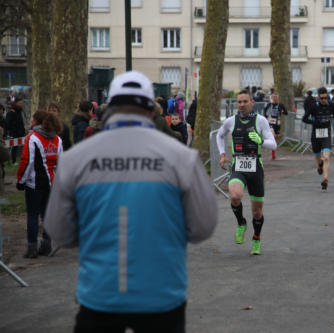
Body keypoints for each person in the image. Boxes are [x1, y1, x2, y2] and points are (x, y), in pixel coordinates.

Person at [44, 71, 217, 332]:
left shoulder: (74, 159)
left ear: (109, 108)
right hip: (161, 295)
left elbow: (59, 232)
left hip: (99, 295)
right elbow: (203, 227)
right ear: (151, 110)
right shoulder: (182, 157)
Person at [217, 90, 276, 255]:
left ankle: (256, 238)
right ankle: (241, 223)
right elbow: (219, 136)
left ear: (252, 103)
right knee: (235, 196)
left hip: (256, 167)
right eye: (239, 102)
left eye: (244, 102)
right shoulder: (230, 121)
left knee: (257, 212)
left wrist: (261, 141)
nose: (241, 105)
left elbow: (274, 144)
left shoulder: (261, 120)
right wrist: (222, 154)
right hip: (238, 165)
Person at [16, 110, 63, 258]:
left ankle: (32, 248)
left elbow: (27, 161)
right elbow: (61, 162)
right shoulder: (58, 139)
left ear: (38, 122)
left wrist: (21, 181)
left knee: (32, 215)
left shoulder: (33, 138)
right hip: (51, 182)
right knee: (47, 215)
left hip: (34, 183)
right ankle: (47, 244)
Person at [302, 87, 334, 190]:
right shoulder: (313, 106)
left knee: (326, 157)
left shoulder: (331, 105)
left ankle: (325, 180)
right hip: (316, 134)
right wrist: (313, 122)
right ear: (318, 97)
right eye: (322, 98)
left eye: (326, 98)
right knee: (318, 156)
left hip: (326, 133)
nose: (324, 100)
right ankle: (319, 165)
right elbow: (304, 119)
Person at [263, 92, 288, 160]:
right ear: (271, 98)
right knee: (273, 136)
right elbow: (264, 110)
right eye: (273, 97)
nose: (274, 99)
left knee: (276, 137)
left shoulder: (280, 105)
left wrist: (282, 111)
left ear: (278, 98)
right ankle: (273, 154)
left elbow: (286, 113)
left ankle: (273, 150)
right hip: (271, 123)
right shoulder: (269, 104)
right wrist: (265, 116)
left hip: (278, 123)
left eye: (276, 97)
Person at [5, 96, 26, 165]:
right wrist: (10, 131)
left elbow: (21, 123)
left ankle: (14, 160)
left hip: (20, 133)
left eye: (21, 103)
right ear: (16, 103)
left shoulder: (20, 112)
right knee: (12, 147)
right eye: (19, 103)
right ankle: (11, 160)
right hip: (13, 133)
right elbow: (8, 123)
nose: (21, 104)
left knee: (16, 147)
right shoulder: (11, 112)